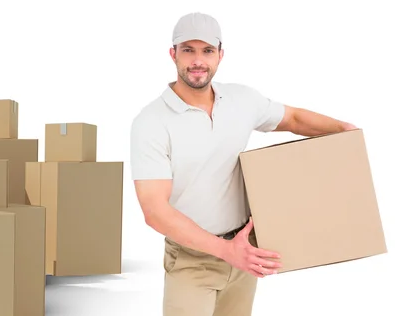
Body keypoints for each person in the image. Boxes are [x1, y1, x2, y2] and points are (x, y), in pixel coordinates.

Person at [129, 12, 357, 316]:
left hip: (244, 247)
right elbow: (155, 211)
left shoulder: (241, 100)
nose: (198, 60)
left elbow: (293, 118)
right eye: (188, 50)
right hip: (191, 259)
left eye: (207, 51)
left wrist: (343, 130)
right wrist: (226, 251)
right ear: (173, 54)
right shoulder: (151, 122)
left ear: (220, 55)